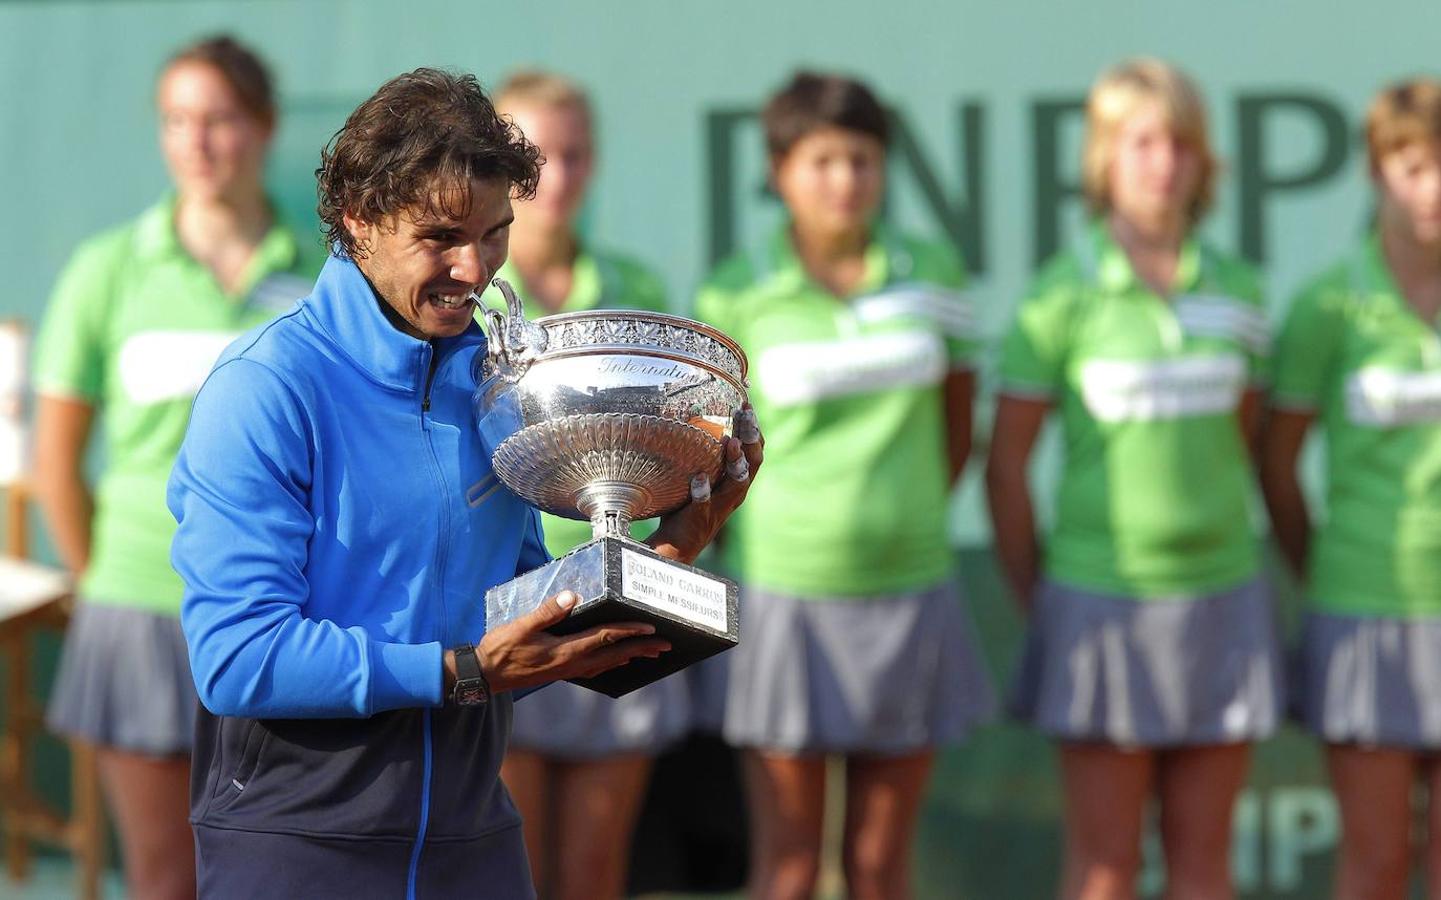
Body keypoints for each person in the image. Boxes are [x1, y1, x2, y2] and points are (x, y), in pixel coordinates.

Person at [165, 67, 762, 898]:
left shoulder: (491, 382)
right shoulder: (265, 388)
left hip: (471, 836)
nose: (474, 267)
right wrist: (462, 671)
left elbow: (517, 605)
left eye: (494, 233)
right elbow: (238, 658)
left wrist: (666, 550)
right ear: (358, 219)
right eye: (441, 236)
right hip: (297, 841)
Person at [693, 70, 994, 900]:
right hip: (785, 596)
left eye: (862, 159)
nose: (845, 181)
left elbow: (957, 426)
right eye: (823, 159)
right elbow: (714, 452)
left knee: (877, 870)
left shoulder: (932, 272)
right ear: (782, 170)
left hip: (911, 587)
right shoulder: (735, 291)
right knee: (787, 871)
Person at [31, 35, 318, 900]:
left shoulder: (323, 269)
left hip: (286, 614)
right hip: (141, 614)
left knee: (274, 871)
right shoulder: (105, 271)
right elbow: (57, 460)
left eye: (220, 119)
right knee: (164, 876)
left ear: (264, 128)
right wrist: (102, 583)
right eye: (177, 120)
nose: (197, 142)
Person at [988, 58, 1281, 900]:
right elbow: (1006, 470)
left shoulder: (1242, 293)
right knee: (1105, 869)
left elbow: (1248, 444)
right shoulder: (1057, 299)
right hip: (1096, 602)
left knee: (1203, 867)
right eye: (1141, 142)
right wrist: (1044, 597)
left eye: (1180, 144)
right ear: (1103, 160)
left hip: (1222, 596)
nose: (1163, 163)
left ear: (1204, 162)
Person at [479, 69, 689, 900]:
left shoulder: (637, 294)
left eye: (572, 155)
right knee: (512, 870)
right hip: (510, 607)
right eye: (535, 158)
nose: (555, 178)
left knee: (596, 874)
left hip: (621, 601)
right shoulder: (469, 303)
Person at [1262, 78, 1441, 900]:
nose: (1432, 188)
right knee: (1372, 866)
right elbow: (1277, 466)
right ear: (1376, 172)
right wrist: (1324, 567)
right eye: (1412, 165)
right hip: (1363, 606)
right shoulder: (1325, 308)